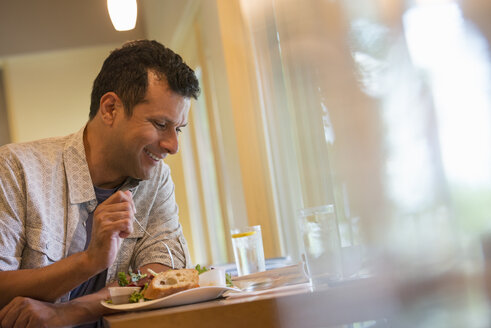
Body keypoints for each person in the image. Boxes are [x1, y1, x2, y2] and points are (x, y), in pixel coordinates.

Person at [0, 39, 200, 327]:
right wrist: (89, 261)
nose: (172, 145)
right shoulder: (16, 168)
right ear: (109, 109)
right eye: (160, 124)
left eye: (178, 129)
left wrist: (69, 312)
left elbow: (161, 275)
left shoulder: (156, 179)